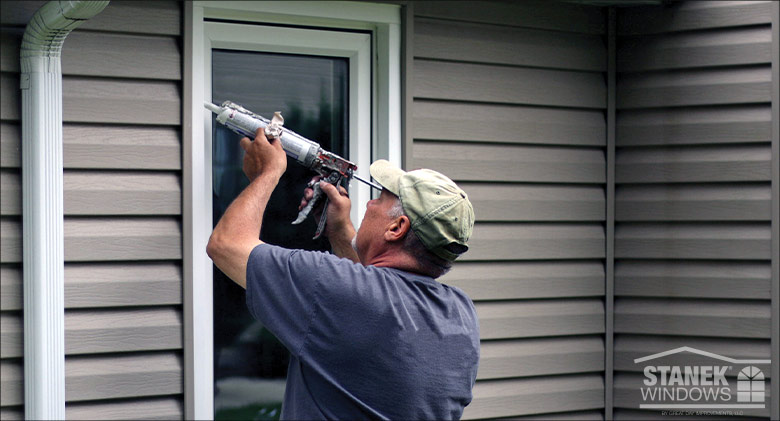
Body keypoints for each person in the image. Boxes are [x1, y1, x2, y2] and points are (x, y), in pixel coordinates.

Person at [206, 127, 479, 420]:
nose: (369, 203)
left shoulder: (332, 285)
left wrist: (267, 173)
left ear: (397, 228)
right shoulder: (461, 316)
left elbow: (227, 245)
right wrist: (339, 231)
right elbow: (372, 302)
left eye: (380, 197)